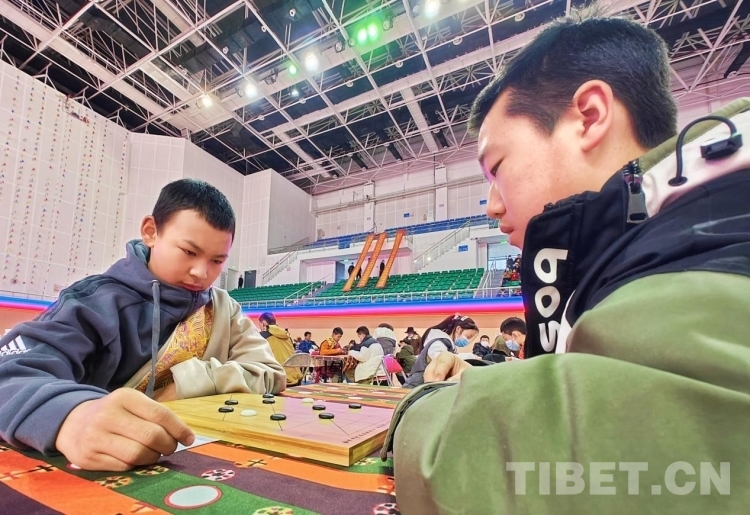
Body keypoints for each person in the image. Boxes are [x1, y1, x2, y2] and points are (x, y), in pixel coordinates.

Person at [382, 9, 750, 514]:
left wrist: (426, 404)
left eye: (497, 168)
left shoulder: (716, 238)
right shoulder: (651, 248)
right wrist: (490, 383)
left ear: (590, 116)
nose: (491, 205)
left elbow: (605, 469)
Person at [0, 179, 286, 471]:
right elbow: (9, 376)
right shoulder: (93, 302)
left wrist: (189, 382)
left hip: (195, 457)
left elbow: (271, 373)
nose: (201, 273)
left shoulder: (224, 308)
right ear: (151, 232)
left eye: (216, 261)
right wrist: (70, 415)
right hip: (97, 463)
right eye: (189, 252)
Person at [402, 314, 478, 388]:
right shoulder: (438, 342)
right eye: (468, 336)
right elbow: (441, 359)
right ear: (458, 329)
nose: (468, 341)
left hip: (423, 385)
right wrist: (470, 357)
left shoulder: (445, 343)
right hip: (418, 386)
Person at [258, 312, 302, 387]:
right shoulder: (287, 337)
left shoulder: (262, 336)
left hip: (276, 380)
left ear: (264, 323)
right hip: (295, 378)